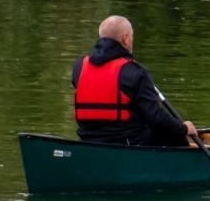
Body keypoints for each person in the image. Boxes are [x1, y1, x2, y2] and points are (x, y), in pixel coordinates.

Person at [71, 15, 195, 147]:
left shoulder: (79, 66)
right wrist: (183, 128)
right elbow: (156, 117)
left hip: (87, 140)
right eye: (132, 37)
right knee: (174, 133)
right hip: (128, 142)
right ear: (126, 38)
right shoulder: (136, 72)